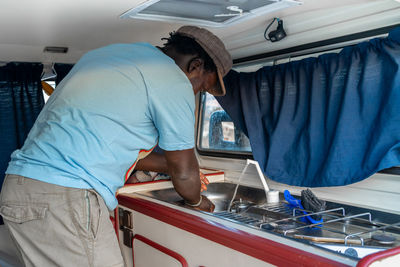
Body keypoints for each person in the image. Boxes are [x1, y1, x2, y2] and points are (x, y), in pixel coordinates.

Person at [0, 25, 232, 267]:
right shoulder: (172, 78)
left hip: (19, 188)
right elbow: (184, 173)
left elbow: (115, 147)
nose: (195, 92)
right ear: (195, 66)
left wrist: (170, 166)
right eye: (201, 86)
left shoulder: (108, 56)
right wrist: (198, 201)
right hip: (64, 196)